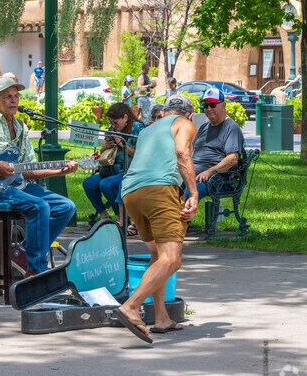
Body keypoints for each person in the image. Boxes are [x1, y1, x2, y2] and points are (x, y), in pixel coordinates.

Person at [0, 78, 78, 276]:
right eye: (7, 96)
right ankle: (36, 270)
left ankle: (24, 251)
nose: (13, 100)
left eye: (16, 96)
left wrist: (59, 171)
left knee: (65, 207)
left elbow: (26, 170)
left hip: (15, 184)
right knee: (39, 206)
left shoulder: (20, 128)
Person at [114, 94, 198, 343]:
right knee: (172, 260)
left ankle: (161, 317)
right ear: (189, 114)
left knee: (157, 256)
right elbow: (182, 153)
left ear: (164, 111)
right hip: (159, 191)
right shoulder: (185, 124)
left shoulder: (148, 131)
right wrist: (193, 192)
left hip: (130, 193)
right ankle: (131, 306)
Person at [82, 103, 144, 228]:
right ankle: (104, 215)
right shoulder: (113, 129)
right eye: (111, 122)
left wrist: (122, 143)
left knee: (106, 184)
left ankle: (123, 217)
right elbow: (103, 153)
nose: (113, 126)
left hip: (129, 170)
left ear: (125, 117)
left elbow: (140, 154)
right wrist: (106, 146)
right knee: (89, 183)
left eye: (116, 122)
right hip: (110, 169)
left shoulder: (138, 128)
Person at [188, 87, 244, 200]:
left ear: (223, 105)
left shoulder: (231, 128)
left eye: (212, 105)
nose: (208, 109)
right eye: (205, 105)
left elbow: (232, 159)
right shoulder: (204, 126)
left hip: (215, 179)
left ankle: (179, 216)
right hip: (191, 175)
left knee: (185, 197)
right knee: (166, 193)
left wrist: (209, 172)